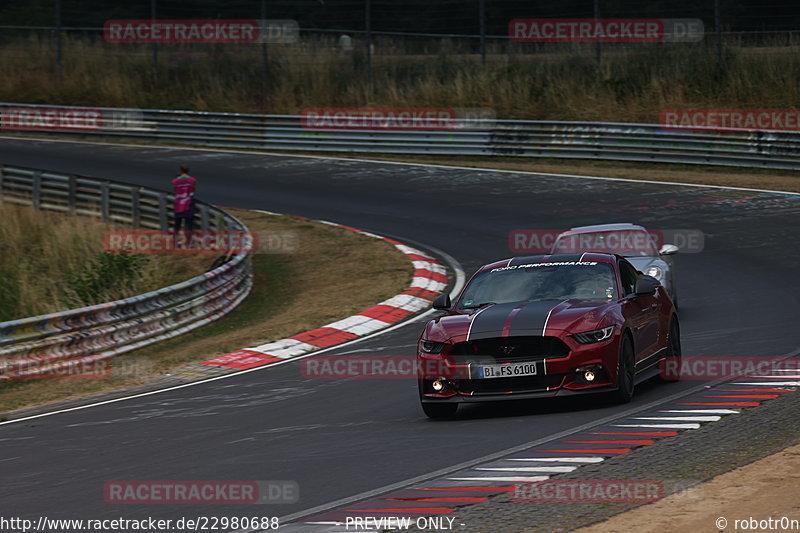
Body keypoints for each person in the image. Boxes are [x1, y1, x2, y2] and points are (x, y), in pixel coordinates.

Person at [172, 164, 197, 235]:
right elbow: (193, 191)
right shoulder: (192, 180)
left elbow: (175, 191)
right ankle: (188, 242)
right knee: (189, 224)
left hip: (178, 204)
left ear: (180, 171)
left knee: (177, 224)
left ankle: (175, 241)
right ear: (188, 171)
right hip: (188, 203)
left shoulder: (175, 181)